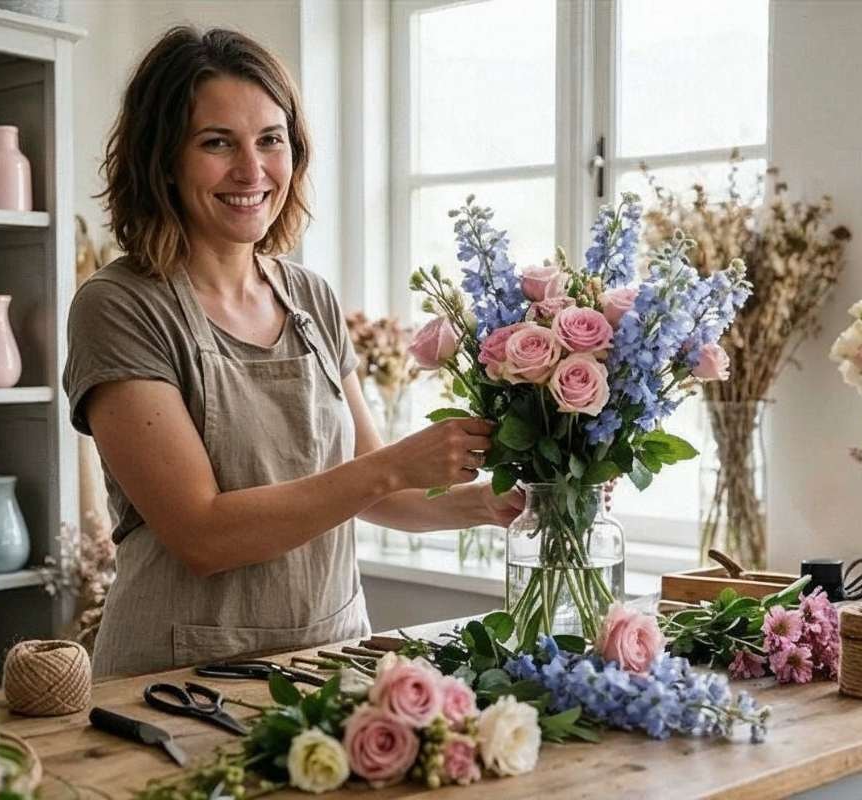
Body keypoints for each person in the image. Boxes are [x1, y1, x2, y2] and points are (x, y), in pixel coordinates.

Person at [63, 26, 522, 677]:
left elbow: (371, 490)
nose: (252, 171)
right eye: (217, 143)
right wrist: (395, 464)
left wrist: (494, 502)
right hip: (177, 679)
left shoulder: (312, 299)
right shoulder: (119, 307)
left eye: (270, 140)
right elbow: (202, 534)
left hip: (332, 659)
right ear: (162, 158)